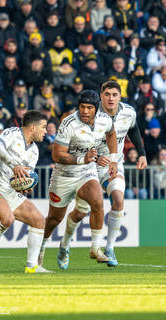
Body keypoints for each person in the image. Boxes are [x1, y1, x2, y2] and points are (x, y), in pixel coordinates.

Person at [42, 81, 147, 269]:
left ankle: (107, 248)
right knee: (79, 213)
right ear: (101, 96)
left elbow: (131, 130)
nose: (111, 98)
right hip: (86, 165)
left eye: (115, 95)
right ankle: (65, 244)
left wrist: (137, 154)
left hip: (109, 165)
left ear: (120, 97)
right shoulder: (80, 120)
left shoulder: (127, 113)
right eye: (107, 94)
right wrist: (92, 158)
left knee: (117, 199)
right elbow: (64, 152)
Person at [38, 89, 118, 269]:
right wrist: (84, 158)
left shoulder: (105, 120)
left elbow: (111, 134)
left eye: (89, 107)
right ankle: (40, 250)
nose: (85, 111)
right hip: (64, 176)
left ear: (97, 109)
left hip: (86, 172)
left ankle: (96, 248)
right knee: (54, 219)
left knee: (97, 201)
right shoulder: (68, 124)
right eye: (82, 107)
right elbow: (57, 155)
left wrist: (113, 159)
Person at [0, 110, 53, 274]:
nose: (46, 131)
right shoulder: (12, 133)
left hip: (8, 190)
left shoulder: (34, 151)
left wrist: (26, 185)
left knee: (38, 220)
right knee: (7, 218)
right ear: (32, 127)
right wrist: (13, 164)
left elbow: (25, 176)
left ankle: (32, 267)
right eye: (43, 127)